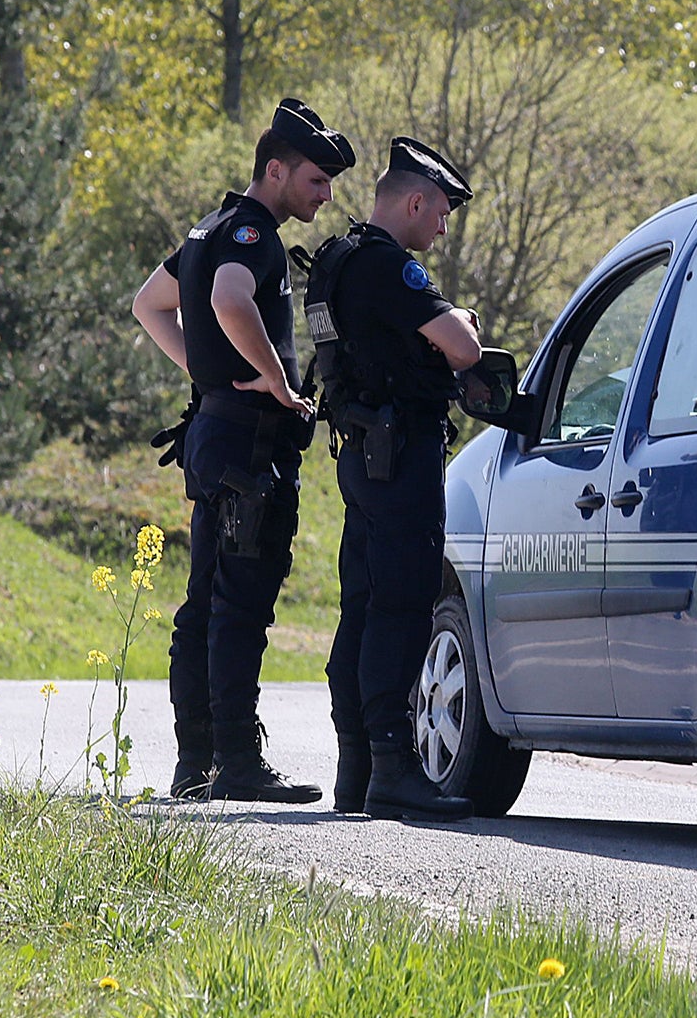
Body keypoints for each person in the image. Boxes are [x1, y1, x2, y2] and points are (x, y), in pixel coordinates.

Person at [130, 97, 355, 803]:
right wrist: (279, 383)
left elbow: (149, 303)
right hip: (249, 446)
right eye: (316, 181)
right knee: (240, 605)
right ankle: (235, 763)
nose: (324, 195)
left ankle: (195, 763)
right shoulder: (252, 235)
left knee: (204, 603)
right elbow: (231, 298)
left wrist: (205, 372)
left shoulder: (210, 226)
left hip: (214, 435)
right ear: (276, 169)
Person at [304, 137, 480, 823]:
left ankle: (358, 768)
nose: (441, 227)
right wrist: (460, 318)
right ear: (413, 202)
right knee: (403, 607)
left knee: (364, 605)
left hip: (359, 453)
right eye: (439, 213)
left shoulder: (335, 261)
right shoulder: (387, 268)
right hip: (400, 454)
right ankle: (394, 769)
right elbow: (462, 349)